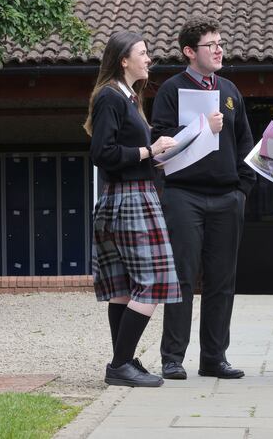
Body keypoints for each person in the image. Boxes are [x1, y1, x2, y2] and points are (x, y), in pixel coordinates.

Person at [151, 16, 256, 380]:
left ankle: (214, 357)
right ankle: (172, 358)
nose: (219, 49)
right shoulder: (171, 90)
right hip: (184, 196)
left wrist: (242, 189)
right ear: (190, 52)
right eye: (211, 44)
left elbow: (245, 141)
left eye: (220, 42)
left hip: (227, 197)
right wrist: (199, 128)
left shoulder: (229, 90)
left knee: (222, 280)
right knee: (181, 277)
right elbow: (161, 142)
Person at [84, 30, 182, 388]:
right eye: (142, 53)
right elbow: (101, 153)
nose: (148, 59)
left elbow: (122, 151)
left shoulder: (126, 98)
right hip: (130, 199)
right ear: (123, 60)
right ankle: (121, 363)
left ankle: (122, 363)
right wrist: (149, 151)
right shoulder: (111, 98)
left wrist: (159, 153)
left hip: (126, 195)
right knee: (153, 284)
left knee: (124, 288)